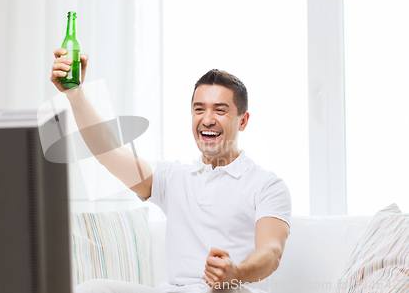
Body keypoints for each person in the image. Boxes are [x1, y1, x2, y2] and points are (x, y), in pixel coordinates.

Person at [51, 49, 292, 293]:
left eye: (220, 110)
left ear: (243, 120)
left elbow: (271, 252)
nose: (207, 119)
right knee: (92, 288)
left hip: (230, 290)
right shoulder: (173, 178)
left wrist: (235, 273)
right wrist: (75, 93)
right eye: (199, 109)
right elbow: (108, 152)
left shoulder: (266, 185)